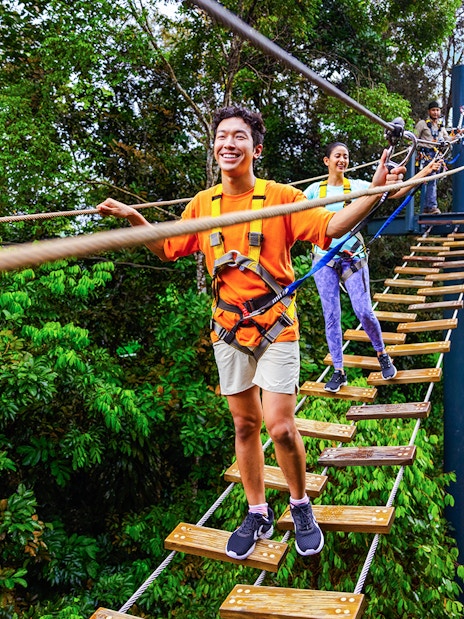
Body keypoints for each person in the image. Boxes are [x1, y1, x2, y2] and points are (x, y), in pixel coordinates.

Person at [97, 106, 406, 561]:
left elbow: (330, 228)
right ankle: (257, 510)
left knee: (280, 427)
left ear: (255, 149)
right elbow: (166, 246)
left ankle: (300, 505)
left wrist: (374, 193)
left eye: (238, 137)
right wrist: (131, 216)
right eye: (222, 136)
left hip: (276, 326)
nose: (228, 143)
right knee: (245, 424)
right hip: (228, 328)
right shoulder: (204, 205)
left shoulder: (280, 197)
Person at [304, 142, 439, 393]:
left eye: (345, 156)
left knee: (364, 310)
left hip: (352, 256)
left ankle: (382, 354)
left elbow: (396, 190)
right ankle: (338, 370)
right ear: (327, 161)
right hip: (324, 259)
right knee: (331, 316)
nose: (342, 160)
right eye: (337, 156)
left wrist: (426, 171)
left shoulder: (358, 187)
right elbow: (297, 218)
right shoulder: (313, 192)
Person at [414, 101, 451, 214]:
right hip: (426, 156)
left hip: (437, 157)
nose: (435, 112)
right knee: (431, 181)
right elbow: (414, 138)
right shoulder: (422, 124)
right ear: (429, 111)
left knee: (433, 181)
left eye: (437, 110)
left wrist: (458, 134)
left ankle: (427, 207)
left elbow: (447, 139)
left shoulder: (440, 126)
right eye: (433, 110)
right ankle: (432, 207)